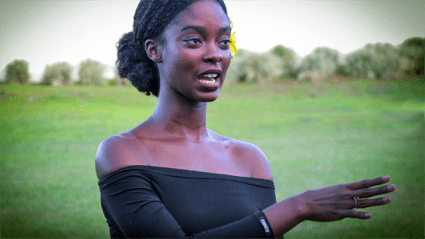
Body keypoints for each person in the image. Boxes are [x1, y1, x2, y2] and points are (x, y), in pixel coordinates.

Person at [95, 0, 396, 238]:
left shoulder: (249, 160)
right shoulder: (123, 152)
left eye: (224, 42)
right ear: (154, 50)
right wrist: (298, 207)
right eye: (195, 41)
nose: (215, 54)